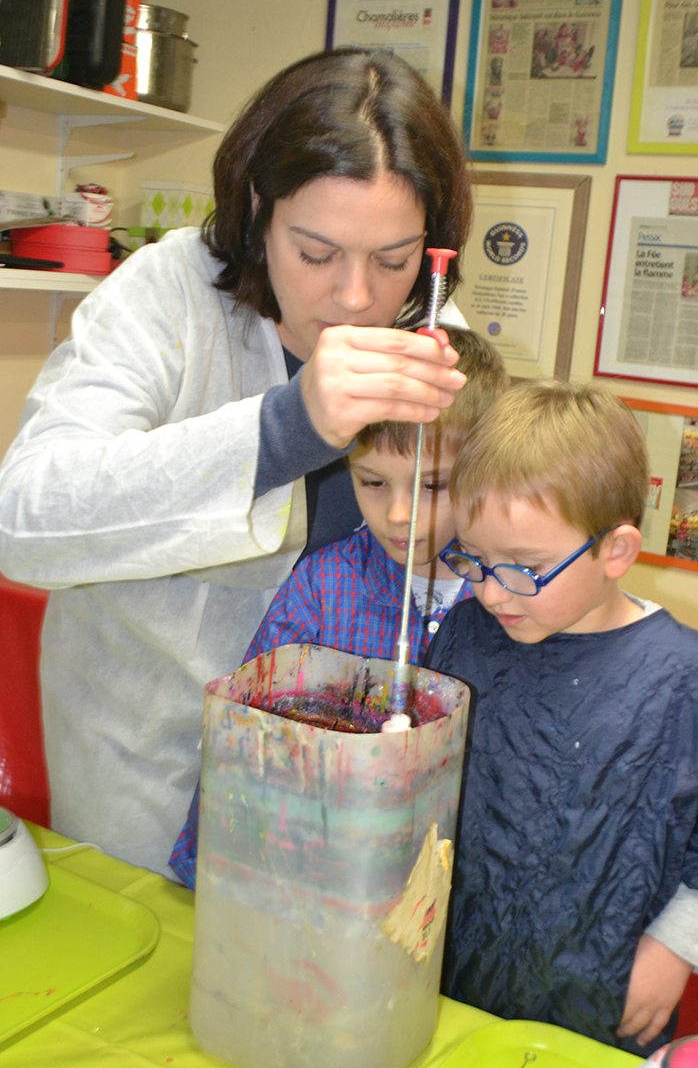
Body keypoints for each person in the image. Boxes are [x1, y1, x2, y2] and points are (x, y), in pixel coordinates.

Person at [0, 48, 473, 878]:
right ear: (259, 206)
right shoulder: (168, 293)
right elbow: (22, 519)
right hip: (149, 753)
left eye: (394, 259)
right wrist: (282, 431)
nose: (357, 298)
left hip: (347, 781)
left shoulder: (432, 334)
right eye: (317, 253)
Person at [424, 381, 698, 1056]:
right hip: (454, 975)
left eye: (525, 567)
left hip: (600, 992)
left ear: (615, 551)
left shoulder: (689, 679)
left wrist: (674, 948)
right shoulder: (466, 634)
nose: (492, 591)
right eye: (475, 559)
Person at [168, 326, 511, 889]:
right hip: (323, 880)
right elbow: (245, 753)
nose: (399, 514)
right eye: (373, 482)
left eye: (432, 487)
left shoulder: (515, 603)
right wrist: (210, 875)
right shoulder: (321, 592)